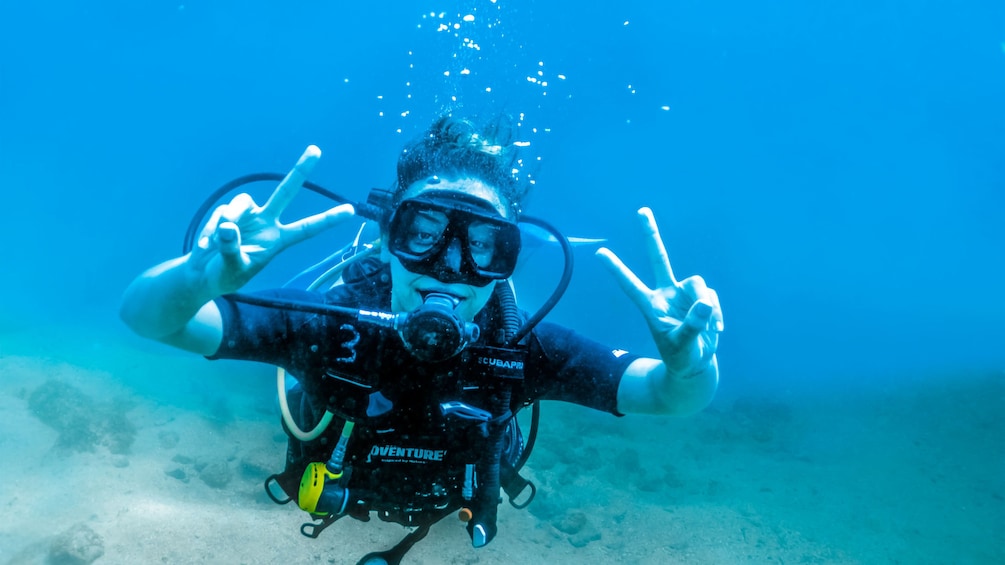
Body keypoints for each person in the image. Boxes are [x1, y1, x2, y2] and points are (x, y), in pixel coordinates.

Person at [120, 115, 723, 564]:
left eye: (483, 246)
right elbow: (151, 318)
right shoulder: (335, 327)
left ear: (508, 260)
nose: (447, 268)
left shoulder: (520, 347)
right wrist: (194, 279)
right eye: (422, 233)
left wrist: (690, 366)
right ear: (387, 238)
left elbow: (670, 396)